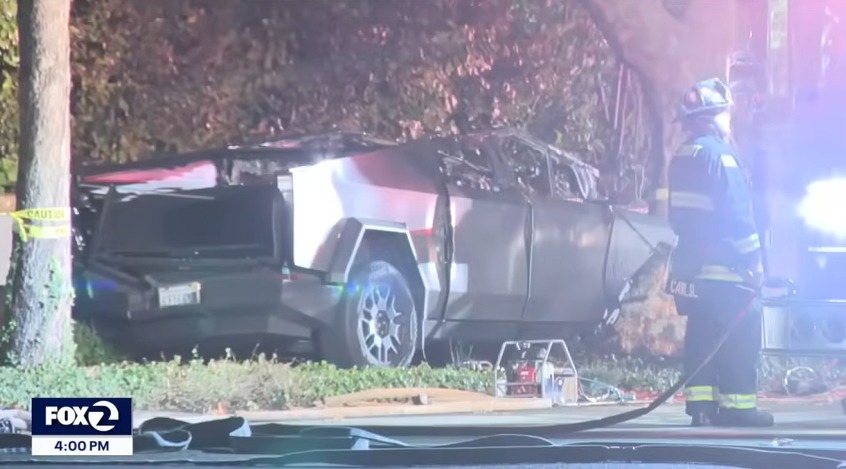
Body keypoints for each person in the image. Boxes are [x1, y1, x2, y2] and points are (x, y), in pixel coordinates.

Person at [665, 77, 774, 427]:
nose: (730, 119)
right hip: (727, 270)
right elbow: (738, 215)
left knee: (701, 333)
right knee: (743, 329)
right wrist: (755, 262)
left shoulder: (683, 155)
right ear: (712, 117)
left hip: (692, 269)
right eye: (725, 113)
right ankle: (739, 407)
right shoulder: (722, 156)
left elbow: (679, 216)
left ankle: (701, 408)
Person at [729, 51, 771, 277]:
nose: (739, 103)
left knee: (758, 240)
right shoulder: (729, 132)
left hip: (753, 203)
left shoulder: (757, 135)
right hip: (738, 206)